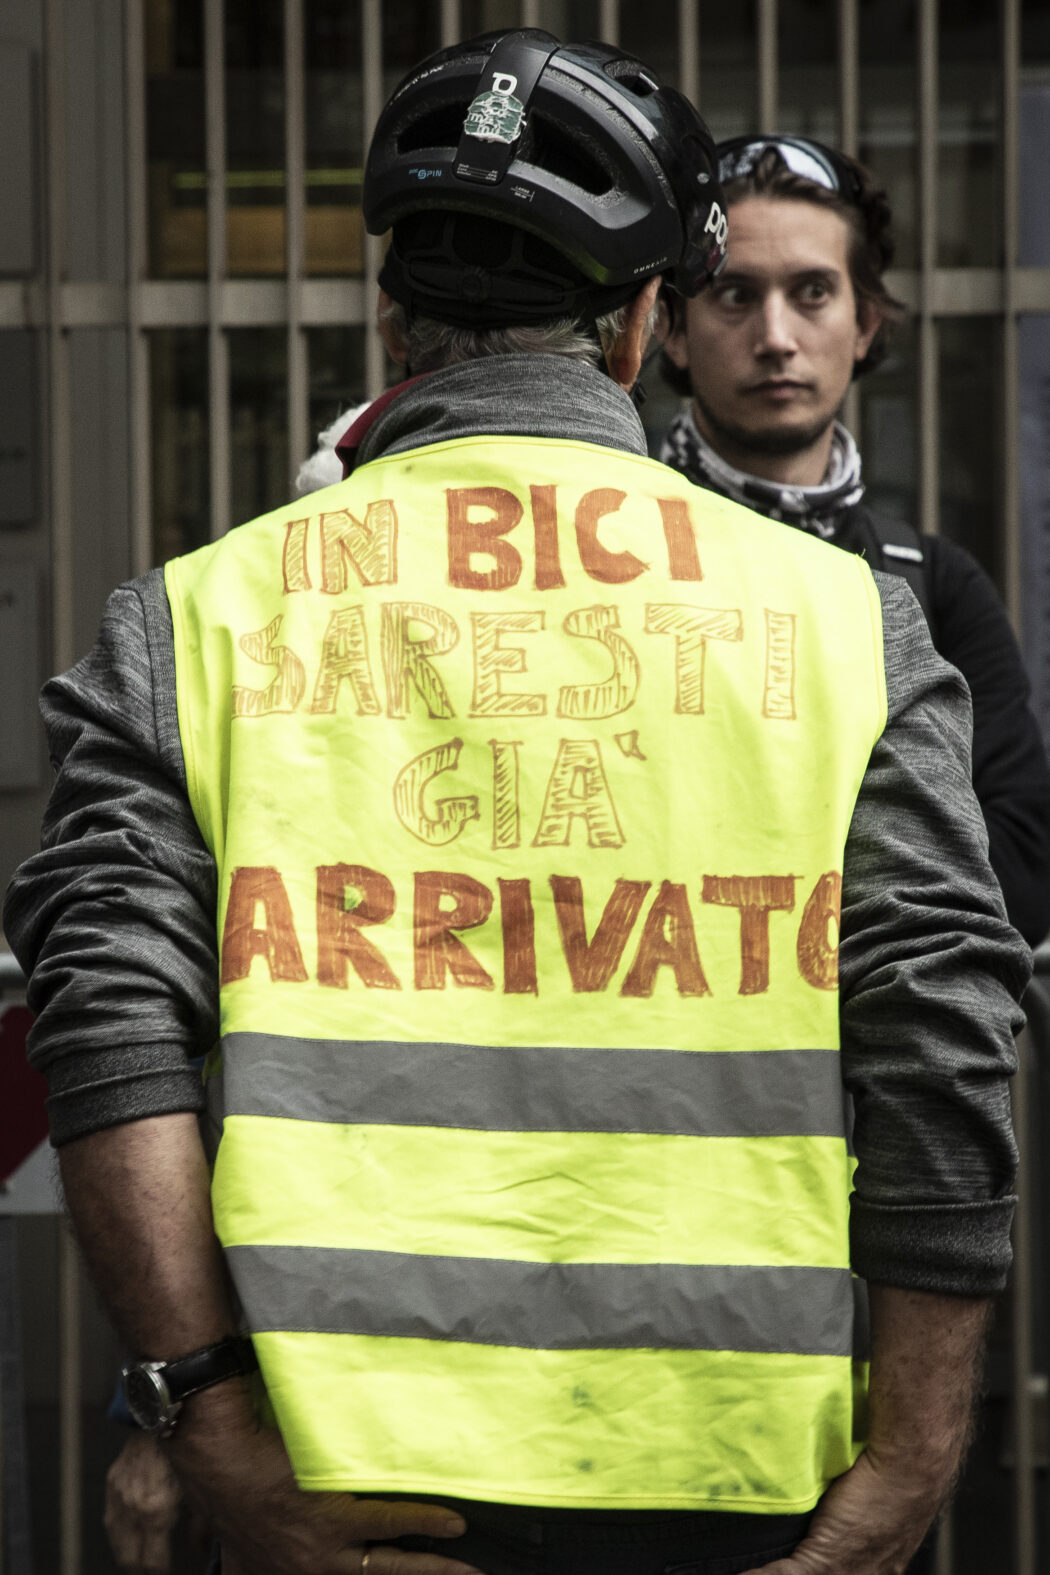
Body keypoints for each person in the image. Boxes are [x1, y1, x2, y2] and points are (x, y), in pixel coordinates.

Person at [3, 30, 1029, 1575]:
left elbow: (104, 1023)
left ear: (386, 319)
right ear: (638, 329)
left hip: (329, 1471)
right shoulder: (840, 623)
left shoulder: (195, 618)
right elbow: (944, 1031)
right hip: (730, 1485)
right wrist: (914, 1452)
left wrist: (203, 1418)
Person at [659, 133, 1050, 949]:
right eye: (734, 295)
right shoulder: (609, 557)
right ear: (672, 331)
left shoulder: (935, 585)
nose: (776, 335)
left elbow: (1023, 868)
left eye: (811, 292)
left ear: (865, 322)